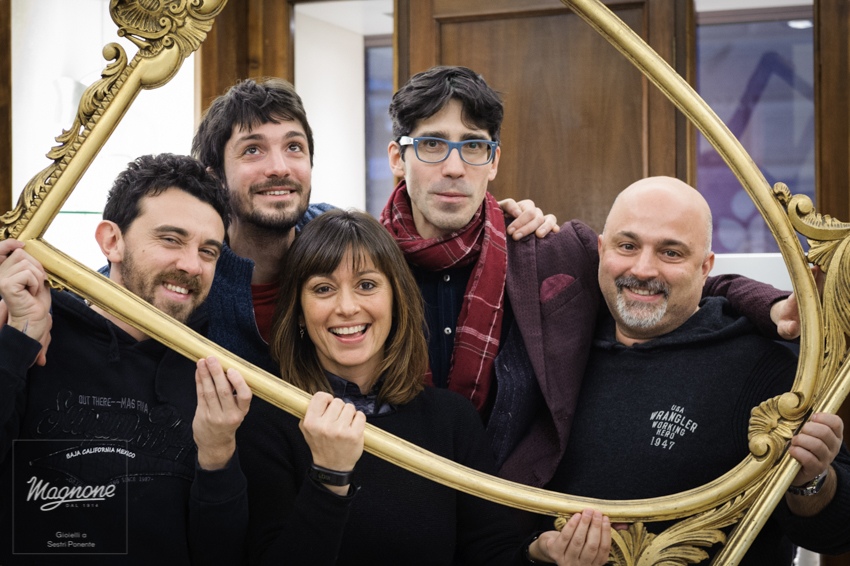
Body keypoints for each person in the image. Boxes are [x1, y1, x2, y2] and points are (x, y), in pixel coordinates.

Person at [381, 65, 801, 488]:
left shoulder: (548, 250)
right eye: (432, 144)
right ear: (398, 158)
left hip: (509, 511)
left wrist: (772, 306)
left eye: (474, 145)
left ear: (493, 161)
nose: (454, 167)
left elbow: (667, 284)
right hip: (389, 498)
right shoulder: (362, 264)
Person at [229, 209, 609, 565]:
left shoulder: (451, 420)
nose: (346, 307)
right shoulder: (266, 422)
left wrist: (538, 553)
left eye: (366, 285)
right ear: (298, 310)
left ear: (396, 299)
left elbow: (490, 553)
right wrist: (329, 476)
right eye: (323, 289)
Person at [535, 176, 850, 564]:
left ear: (705, 268)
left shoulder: (764, 367)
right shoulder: (556, 346)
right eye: (628, 246)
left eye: (671, 253)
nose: (643, 269)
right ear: (601, 250)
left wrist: (811, 480)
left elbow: (836, 533)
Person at [191, 77, 557, 375]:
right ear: (216, 176)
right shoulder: (193, 275)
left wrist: (504, 219)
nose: (279, 167)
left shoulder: (344, 239)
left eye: (294, 147)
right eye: (252, 150)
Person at [0, 154, 251, 565]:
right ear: (111, 241)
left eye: (208, 251)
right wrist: (16, 343)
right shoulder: (35, 335)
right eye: (171, 239)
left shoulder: (214, 377)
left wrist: (218, 453)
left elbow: (219, 554)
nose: (192, 265)